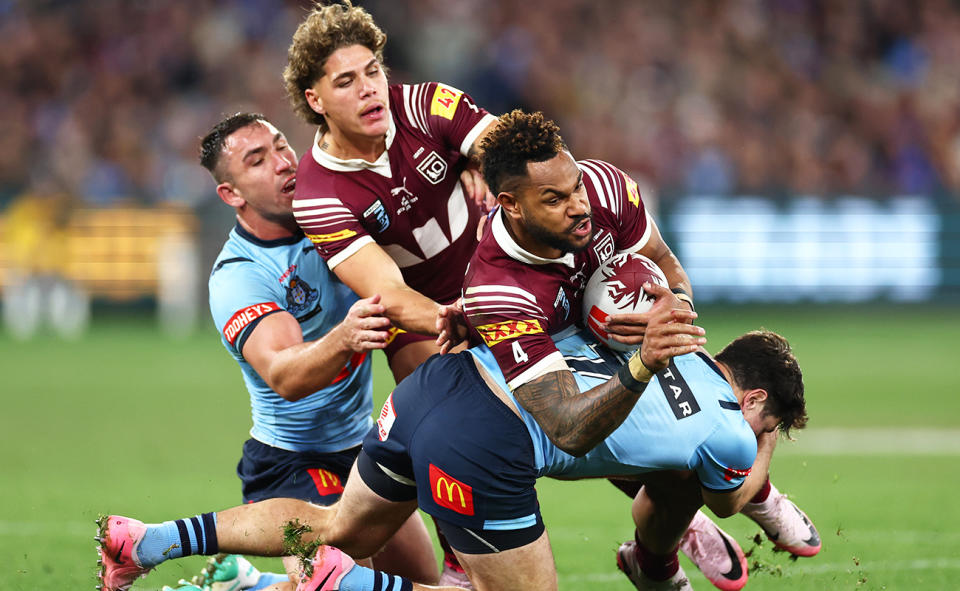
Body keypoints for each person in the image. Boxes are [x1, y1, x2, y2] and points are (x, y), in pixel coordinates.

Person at [94, 301, 806, 591]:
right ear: (754, 400)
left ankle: (149, 540)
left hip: (439, 381)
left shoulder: (638, 323)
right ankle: (348, 583)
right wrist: (763, 443)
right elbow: (733, 495)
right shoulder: (726, 427)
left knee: (336, 521)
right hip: (487, 441)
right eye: (767, 421)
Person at [103, 112, 437, 591]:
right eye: (258, 160)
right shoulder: (240, 275)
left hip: (361, 446)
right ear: (232, 194)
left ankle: (246, 584)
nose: (283, 163)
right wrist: (344, 337)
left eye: (282, 146)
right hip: (293, 461)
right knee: (333, 584)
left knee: (418, 579)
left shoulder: (331, 216)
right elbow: (286, 375)